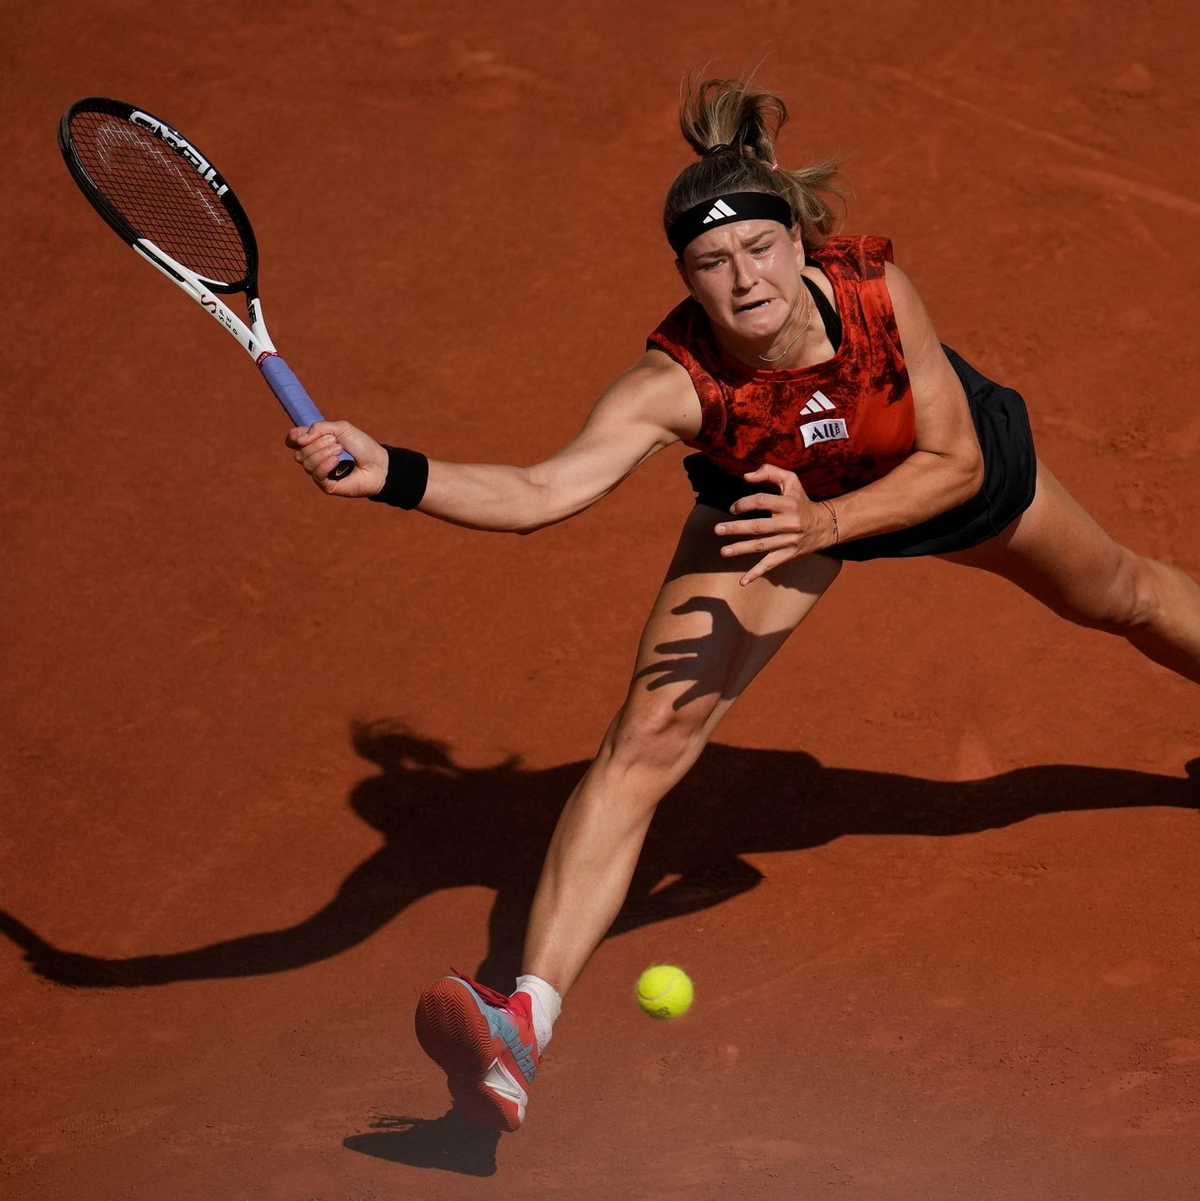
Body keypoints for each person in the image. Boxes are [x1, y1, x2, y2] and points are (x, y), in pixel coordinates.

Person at [287, 76, 1200, 1132]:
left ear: (800, 243)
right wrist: (391, 467)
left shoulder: (875, 296)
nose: (743, 276)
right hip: (770, 505)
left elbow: (952, 465)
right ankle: (520, 1025)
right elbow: (542, 493)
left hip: (922, 470)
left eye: (759, 248)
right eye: (710, 265)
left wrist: (829, 525)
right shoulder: (670, 385)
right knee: (645, 739)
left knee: (1124, 594)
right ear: (686, 282)